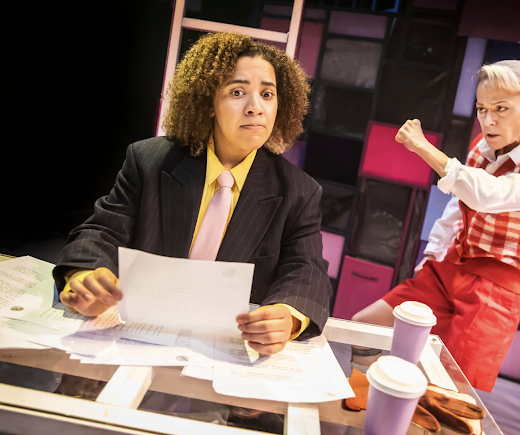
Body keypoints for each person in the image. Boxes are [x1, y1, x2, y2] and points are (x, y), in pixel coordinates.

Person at [52, 31, 332, 355]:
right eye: (237, 92)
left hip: (223, 352)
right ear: (207, 102)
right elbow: (102, 231)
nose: (256, 107)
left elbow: (307, 269)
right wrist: (84, 274)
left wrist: (289, 316)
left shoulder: (300, 192)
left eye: (267, 94)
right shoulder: (149, 160)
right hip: (134, 338)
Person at [350, 60, 520, 392]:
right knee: (364, 328)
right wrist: (432, 256)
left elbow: (488, 195)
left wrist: (423, 147)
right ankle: (360, 407)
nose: (488, 120)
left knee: (449, 391)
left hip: (496, 287)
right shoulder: (485, 145)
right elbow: (459, 206)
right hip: (450, 267)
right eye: (482, 109)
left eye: (501, 108)